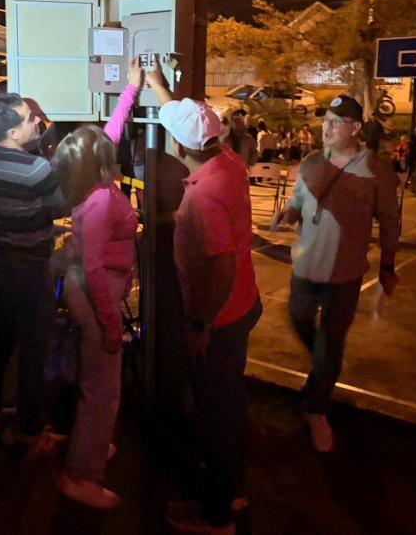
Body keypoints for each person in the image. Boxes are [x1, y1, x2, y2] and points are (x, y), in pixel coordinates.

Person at [146, 64, 262, 535]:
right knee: (230, 401)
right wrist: (156, 83)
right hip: (245, 305)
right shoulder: (228, 161)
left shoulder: (203, 198)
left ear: (178, 149)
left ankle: (216, 514)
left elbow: (220, 268)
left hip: (221, 317)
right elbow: (187, 124)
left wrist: (199, 324)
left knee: (214, 413)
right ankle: (232, 487)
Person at [271, 95, 400, 453]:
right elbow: (298, 201)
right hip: (304, 268)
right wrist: (288, 214)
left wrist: (388, 266)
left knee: (330, 343)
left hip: (345, 275)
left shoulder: (376, 172)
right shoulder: (312, 161)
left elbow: (390, 222)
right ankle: (325, 368)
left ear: (355, 128)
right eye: (325, 120)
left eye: (335, 122)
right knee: (299, 320)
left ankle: (316, 408)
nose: (325, 127)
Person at [52, 59, 142, 509]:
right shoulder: (103, 201)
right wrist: (109, 325)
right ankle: (80, 474)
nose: (111, 147)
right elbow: (92, 270)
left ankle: (91, 444)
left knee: (96, 384)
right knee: (102, 391)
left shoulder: (90, 183)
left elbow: (112, 131)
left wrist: (131, 90)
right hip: (97, 294)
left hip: (91, 288)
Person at [0, 92, 69, 447]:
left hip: (0, 262)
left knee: (3, 336)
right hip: (31, 267)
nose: (37, 121)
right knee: (35, 346)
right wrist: (51, 157)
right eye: (30, 119)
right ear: (14, 133)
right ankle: (30, 425)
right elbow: (59, 206)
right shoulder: (36, 168)